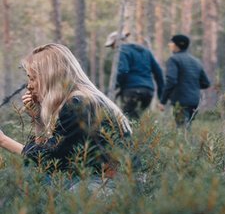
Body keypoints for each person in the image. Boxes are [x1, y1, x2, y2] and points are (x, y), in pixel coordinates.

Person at [0, 43, 132, 188]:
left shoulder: (77, 104)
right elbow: (49, 153)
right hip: (95, 178)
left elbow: (49, 158)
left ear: (50, 77)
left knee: (23, 179)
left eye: (32, 78)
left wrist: (3, 141)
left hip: (105, 184)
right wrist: (37, 118)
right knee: (29, 175)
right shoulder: (80, 99)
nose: (29, 86)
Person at [105, 31, 164, 120]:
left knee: (128, 119)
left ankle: (132, 133)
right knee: (138, 119)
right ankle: (140, 133)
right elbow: (158, 72)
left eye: (112, 45)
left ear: (117, 42)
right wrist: (161, 96)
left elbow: (123, 70)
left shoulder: (122, 50)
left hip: (131, 91)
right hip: (148, 92)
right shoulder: (146, 51)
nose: (113, 48)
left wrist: (115, 86)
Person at [159, 34, 210, 126]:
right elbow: (206, 83)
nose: (169, 44)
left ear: (176, 45)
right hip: (195, 101)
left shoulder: (173, 59)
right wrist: (192, 85)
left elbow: (171, 80)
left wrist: (163, 101)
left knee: (182, 129)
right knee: (187, 128)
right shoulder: (196, 61)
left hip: (180, 101)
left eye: (171, 42)